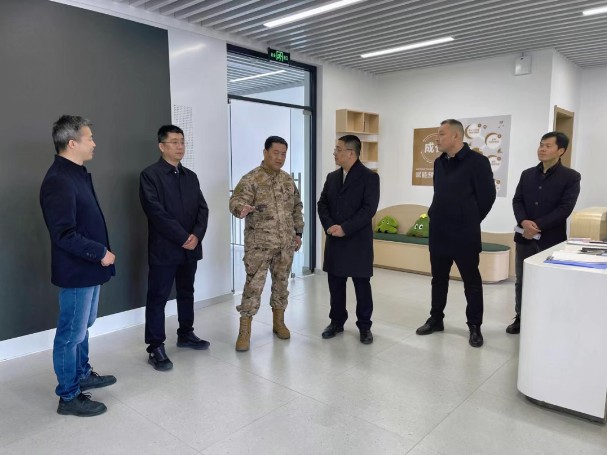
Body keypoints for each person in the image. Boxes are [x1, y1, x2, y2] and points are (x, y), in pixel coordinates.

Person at [40, 115, 117, 417]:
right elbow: (63, 234)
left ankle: (82, 373)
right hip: (77, 270)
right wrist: (100, 252)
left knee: (84, 326)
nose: (94, 143)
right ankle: (68, 396)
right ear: (72, 143)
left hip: (89, 267)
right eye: (89, 138)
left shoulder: (76, 174)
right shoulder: (58, 180)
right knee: (70, 334)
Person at [416, 119, 496, 348]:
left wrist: (469, 219)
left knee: (471, 282)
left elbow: (487, 197)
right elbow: (439, 193)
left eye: (441, 134)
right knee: (438, 280)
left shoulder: (478, 162)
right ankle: (436, 319)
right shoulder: (439, 162)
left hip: (465, 233)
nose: (437, 138)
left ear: (456, 136)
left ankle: (474, 326)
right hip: (439, 231)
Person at [140, 125, 210, 371]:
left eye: (182, 142)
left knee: (186, 291)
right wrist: (183, 237)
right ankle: (155, 346)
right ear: (162, 146)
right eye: (174, 142)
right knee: (158, 297)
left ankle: (186, 333)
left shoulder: (191, 176)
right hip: (165, 248)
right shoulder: (150, 175)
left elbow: (203, 209)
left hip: (190, 248)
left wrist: (196, 236)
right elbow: (156, 212)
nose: (180, 146)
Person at [229, 136, 304, 352]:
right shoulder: (251, 178)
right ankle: (244, 331)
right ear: (265, 152)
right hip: (259, 246)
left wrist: (298, 233)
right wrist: (241, 208)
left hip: (285, 245)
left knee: (281, 284)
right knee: (253, 288)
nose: (280, 158)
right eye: (276, 153)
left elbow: (297, 207)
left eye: (283, 154)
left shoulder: (287, 180)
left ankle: (279, 322)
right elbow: (235, 201)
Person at [507, 131, 581, 334]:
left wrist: (536, 225)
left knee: (549, 279)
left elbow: (565, 208)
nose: (542, 149)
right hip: (524, 237)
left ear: (561, 150)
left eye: (548, 146)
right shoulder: (527, 174)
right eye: (541, 144)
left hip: (551, 239)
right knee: (522, 280)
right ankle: (521, 317)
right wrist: (524, 222)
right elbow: (517, 200)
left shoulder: (571, 177)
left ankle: (548, 318)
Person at [317, 135, 380, 344]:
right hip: (335, 239)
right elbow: (322, 204)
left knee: (362, 286)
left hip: (357, 241)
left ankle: (364, 326)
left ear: (351, 153)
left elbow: (368, 210)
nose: (334, 153)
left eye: (338, 149)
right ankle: (336, 322)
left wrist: (345, 228)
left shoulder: (370, 177)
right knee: (335, 284)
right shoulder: (332, 177)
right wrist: (329, 226)